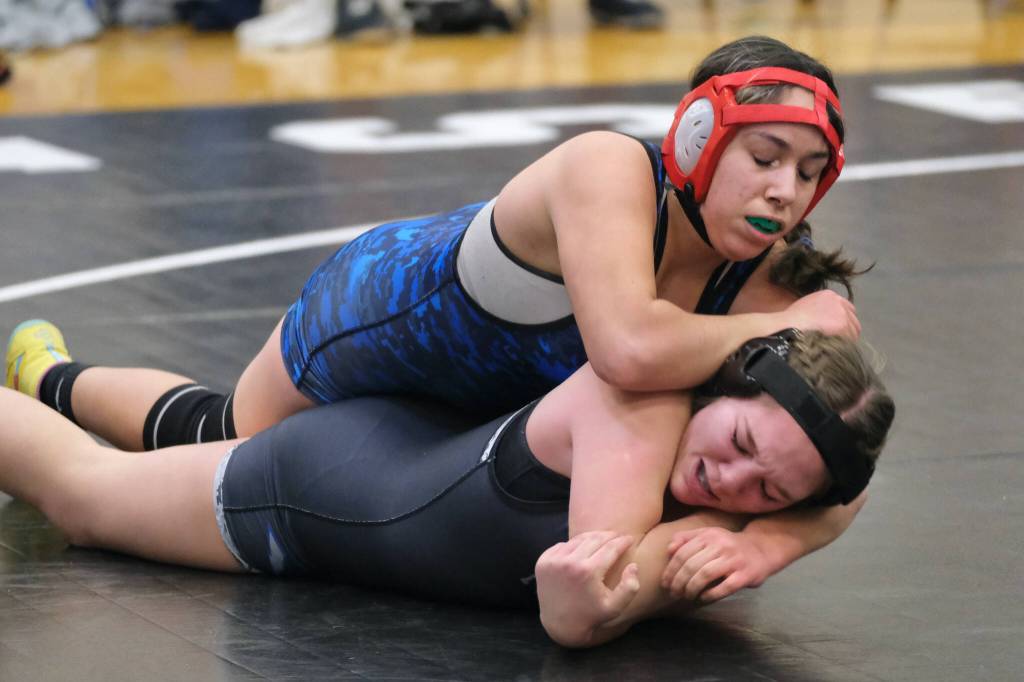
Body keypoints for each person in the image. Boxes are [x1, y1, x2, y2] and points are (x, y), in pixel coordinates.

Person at [5, 36, 861, 459]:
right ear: (698, 140)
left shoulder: (774, 262)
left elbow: (842, 442)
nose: (784, 191)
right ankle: (45, 378)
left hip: (486, 388)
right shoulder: (609, 169)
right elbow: (631, 347)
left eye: (809, 171)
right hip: (381, 312)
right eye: (765, 158)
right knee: (225, 440)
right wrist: (778, 328)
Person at [0, 329, 895, 648]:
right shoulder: (635, 404)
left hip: (400, 445)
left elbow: (839, 497)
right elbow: (580, 617)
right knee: (85, 498)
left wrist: (774, 537)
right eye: (737, 442)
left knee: (206, 421)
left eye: (766, 490)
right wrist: (595, 595)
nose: (728, 481)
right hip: (310, 497)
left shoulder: (764, 506)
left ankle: (48, 374)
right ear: (719, 384)